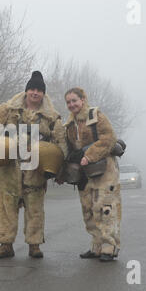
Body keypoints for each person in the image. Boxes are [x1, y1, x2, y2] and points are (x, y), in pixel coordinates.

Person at [0, 71, 68, 259]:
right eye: (32, 89)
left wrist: (61, 170)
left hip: (36, 168)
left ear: (43, 94)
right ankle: (5, 244)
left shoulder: (52, 117)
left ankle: (34, 245)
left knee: (35, 208)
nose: (35, 93)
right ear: (27, 90)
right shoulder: (8, 109)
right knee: (6, 206)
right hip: (10, 166)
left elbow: (61, 144)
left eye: (39, 90)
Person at [57, 87, 122, 262]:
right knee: (88, 210)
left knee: (105, 208)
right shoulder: (69, 125)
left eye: (74, 101)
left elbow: (109, 138)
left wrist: (89, 155)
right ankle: (97, 246)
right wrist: (62, 173)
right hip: (83, 174)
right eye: (68, 102)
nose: (71, 105)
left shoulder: (96, 116)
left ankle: (110, 246)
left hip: (104, 169)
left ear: (83, 99)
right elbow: (68, 150)